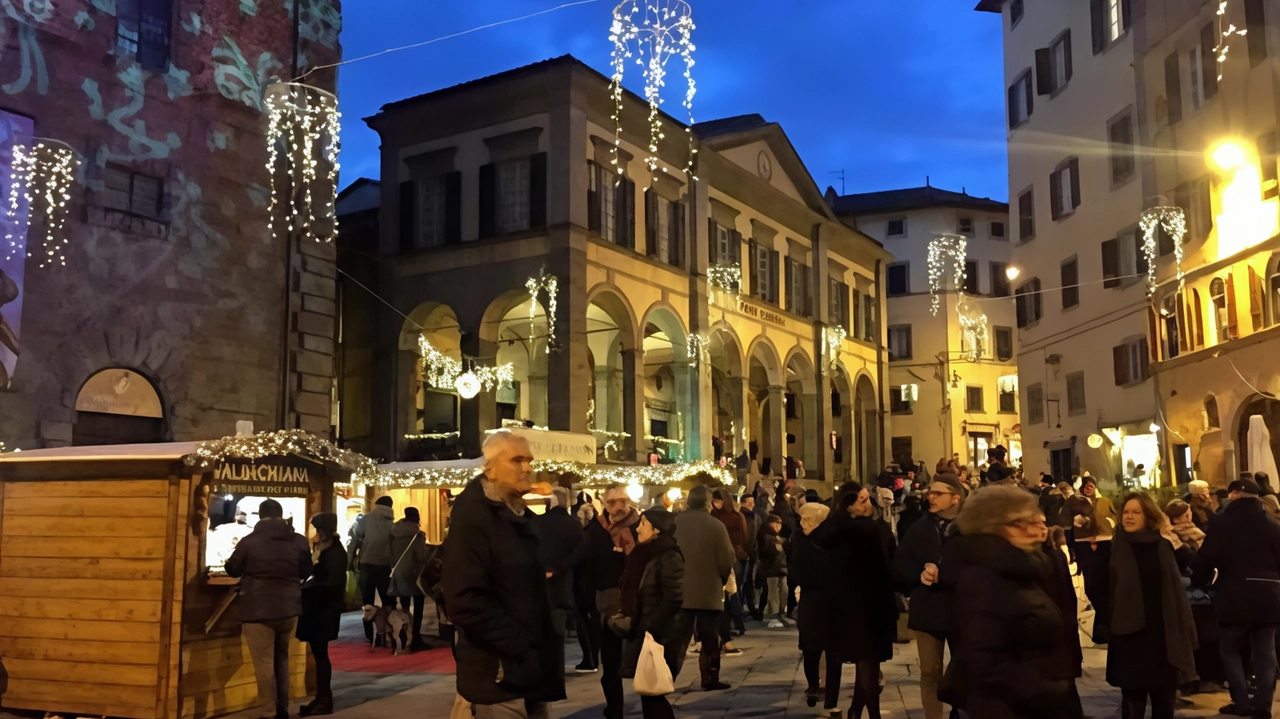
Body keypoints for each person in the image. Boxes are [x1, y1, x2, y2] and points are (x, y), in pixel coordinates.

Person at [441, 431, 563, 719]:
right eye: (517, 460)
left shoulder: (515, 514)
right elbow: (464, 598)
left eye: (529, 460)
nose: (527, 468)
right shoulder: (475, 515)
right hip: (499, 674)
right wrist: (518, 646)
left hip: (528, 671)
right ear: (489, 468)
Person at [938, 486, 1075, 719]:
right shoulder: (987, 575)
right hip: (1008, 708)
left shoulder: (1019, 568)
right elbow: (984, 660)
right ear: (1005, 525)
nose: (1039, 527)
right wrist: (1050, 689)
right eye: (1030, 520)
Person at [1191, 477, 1280, 718]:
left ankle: (1241, 701)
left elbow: (1206, 558)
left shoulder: (1222, 523)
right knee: (1265, 652)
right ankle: (1263, 706)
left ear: (1232, 495)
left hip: (1234, 595)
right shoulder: (1272, 524)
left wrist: (1199, 582)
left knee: (1229, 648)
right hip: (1269, 596)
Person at [1106, 492, 1199, 719]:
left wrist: (1173, 537)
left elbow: (1193, 563)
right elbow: (1100, 587)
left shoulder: (1163, 544)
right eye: (1126, 512)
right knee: (1132, 701)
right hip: (1129, 635)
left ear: (1148, 516)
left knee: (1164, 700)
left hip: (1163, 635)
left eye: (1136, 512)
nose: (1129, 517)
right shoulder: (1113, 546)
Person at [809, 483, 898, 719]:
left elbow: (891, 561)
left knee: (869, 663)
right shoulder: (844, 533)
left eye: (868, 498)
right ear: (849, 507)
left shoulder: (876, 528)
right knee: (867, 661)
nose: (868, 504)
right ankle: (868, 713)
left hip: (875, 605)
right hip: (855, 608)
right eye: (862, 500)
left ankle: (857, 710)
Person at [225, 499, 312, 719]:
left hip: (257, 608)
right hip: (289, 608)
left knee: (263, 662)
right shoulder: (299, 541)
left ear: (260, 516)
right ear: (281, 515)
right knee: (282, 659)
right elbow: (306, 570)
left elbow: (233, 569)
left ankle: (269, 710)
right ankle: (282, 708)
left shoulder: (249, 542)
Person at [893, 473, 964, 719]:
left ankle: (960, 713)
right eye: (930, 493)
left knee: (963, 669)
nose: (930, 497)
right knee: (930, 671)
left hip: (961, 609)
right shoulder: (920, 527)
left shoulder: (970, 528)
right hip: (928, 608)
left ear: (955, 499)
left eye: (938, 493)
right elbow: (900, 563)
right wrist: (919, 572)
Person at [577, 484, 638, 715]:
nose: (619, 506)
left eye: (622, 500)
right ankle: (615, 708)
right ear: (604, 504)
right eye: (612, 502)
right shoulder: (596, 530)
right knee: (610, 663)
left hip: (635, 602)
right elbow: (586, 567)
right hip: (606, 602)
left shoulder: (641, 526)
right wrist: (590, 603)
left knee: (643, 660)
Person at [617, 509, 684, 719]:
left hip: (659, 633)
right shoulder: (643, 553)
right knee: (648, 692)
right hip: (644, 628)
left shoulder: (669, 555)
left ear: (656, 529)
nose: (637, 528)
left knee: (653, 691)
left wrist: (652, 629)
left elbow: (674, 597)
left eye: (643, 523)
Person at [672, 485, 735, 691]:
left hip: (679, 590)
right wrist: (722, 578)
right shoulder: (716, 525)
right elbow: (726, 558)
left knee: (678, 639)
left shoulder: (674, 522)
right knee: (709, 637)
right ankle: (710, 677)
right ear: (707, 502)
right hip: (708, 589)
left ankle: (667, 676)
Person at [297, 512, 347, 717]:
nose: (317, 533)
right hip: (317, 608)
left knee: (321, 655)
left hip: (324, 609)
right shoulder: (324, 550)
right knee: (319, 654)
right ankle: (321, 696)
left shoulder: (335, 552)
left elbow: (332, 583)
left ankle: (325, 698)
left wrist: (307, 588)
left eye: (319, 529)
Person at [793, 501, 838, 715]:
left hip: (823, 600)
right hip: (816, 599)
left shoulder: (827, 539)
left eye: (808, 518)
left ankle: (826, 691)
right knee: (812, 648)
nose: (804, 522)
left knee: (825, 648)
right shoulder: (801, 539)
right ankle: (815, 685)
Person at [1065, 475, 1117, 643]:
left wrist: (1110, 524)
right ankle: (1104, 628)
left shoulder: (1104, 500)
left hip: (1104, 544)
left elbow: (1113, 517)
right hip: (1084, 545)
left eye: (1091, 485)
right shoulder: (1075, 501)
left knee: (1104, 585)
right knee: (1092, 586)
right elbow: (1065, 521)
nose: (1089, 487)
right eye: (1086, 485)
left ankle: (1104, 630)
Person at [533, 487, 585, 644]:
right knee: (557, 632)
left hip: (539, 581)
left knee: (540, 632)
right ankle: (556, 665)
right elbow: (580, 553)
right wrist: (561, 568)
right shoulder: (573, 525)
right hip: (564, 582)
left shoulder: (537, 523)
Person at [350, 495, 396, 644]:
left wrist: (350, 559)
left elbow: (355, 538)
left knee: (368, 602)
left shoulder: (366, 520)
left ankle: (370, 635)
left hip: (367, 564)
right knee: (389, 601)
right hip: (384, 566)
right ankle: (389, 632)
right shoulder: (392, 525)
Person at [388, 506, 430, 651]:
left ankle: (404, 635)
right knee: (418, 605)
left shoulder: (394, 532)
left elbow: (390, 553)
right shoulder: (416, 535)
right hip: (414, 573)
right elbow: (420, 556)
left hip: (399, 572)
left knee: (404, 606)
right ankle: (416, 636)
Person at [710, 488, 748, 643]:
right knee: (727, 594)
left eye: (719, 501)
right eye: (714, 501)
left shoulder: (734, 517)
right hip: (718, 557)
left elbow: (744, 537)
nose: (716, 504)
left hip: (732, 556)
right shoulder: (712, 516)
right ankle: (729, 626)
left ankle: (737, 624)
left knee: (732, 593)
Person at [757, 513, 790, 629]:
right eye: (775, 524)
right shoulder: (764, 536)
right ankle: (775, 614)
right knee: (773, 591)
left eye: (779, 524)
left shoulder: (780, 538)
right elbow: (764, 551)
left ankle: (781, 610)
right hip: (770, 568)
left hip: (782, 567)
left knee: (784, 589)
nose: (777, 526)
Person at [739, 494, 762, 620]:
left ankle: (748, 607)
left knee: (748, 582)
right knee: (744, 581)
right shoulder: (740, 516)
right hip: (742, 553)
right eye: (748, 501)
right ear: (743, 503)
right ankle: (744, 608)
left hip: (752, 553)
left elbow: (758, 533)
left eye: (752, 501)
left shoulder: (756, 517)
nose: (750, 503)